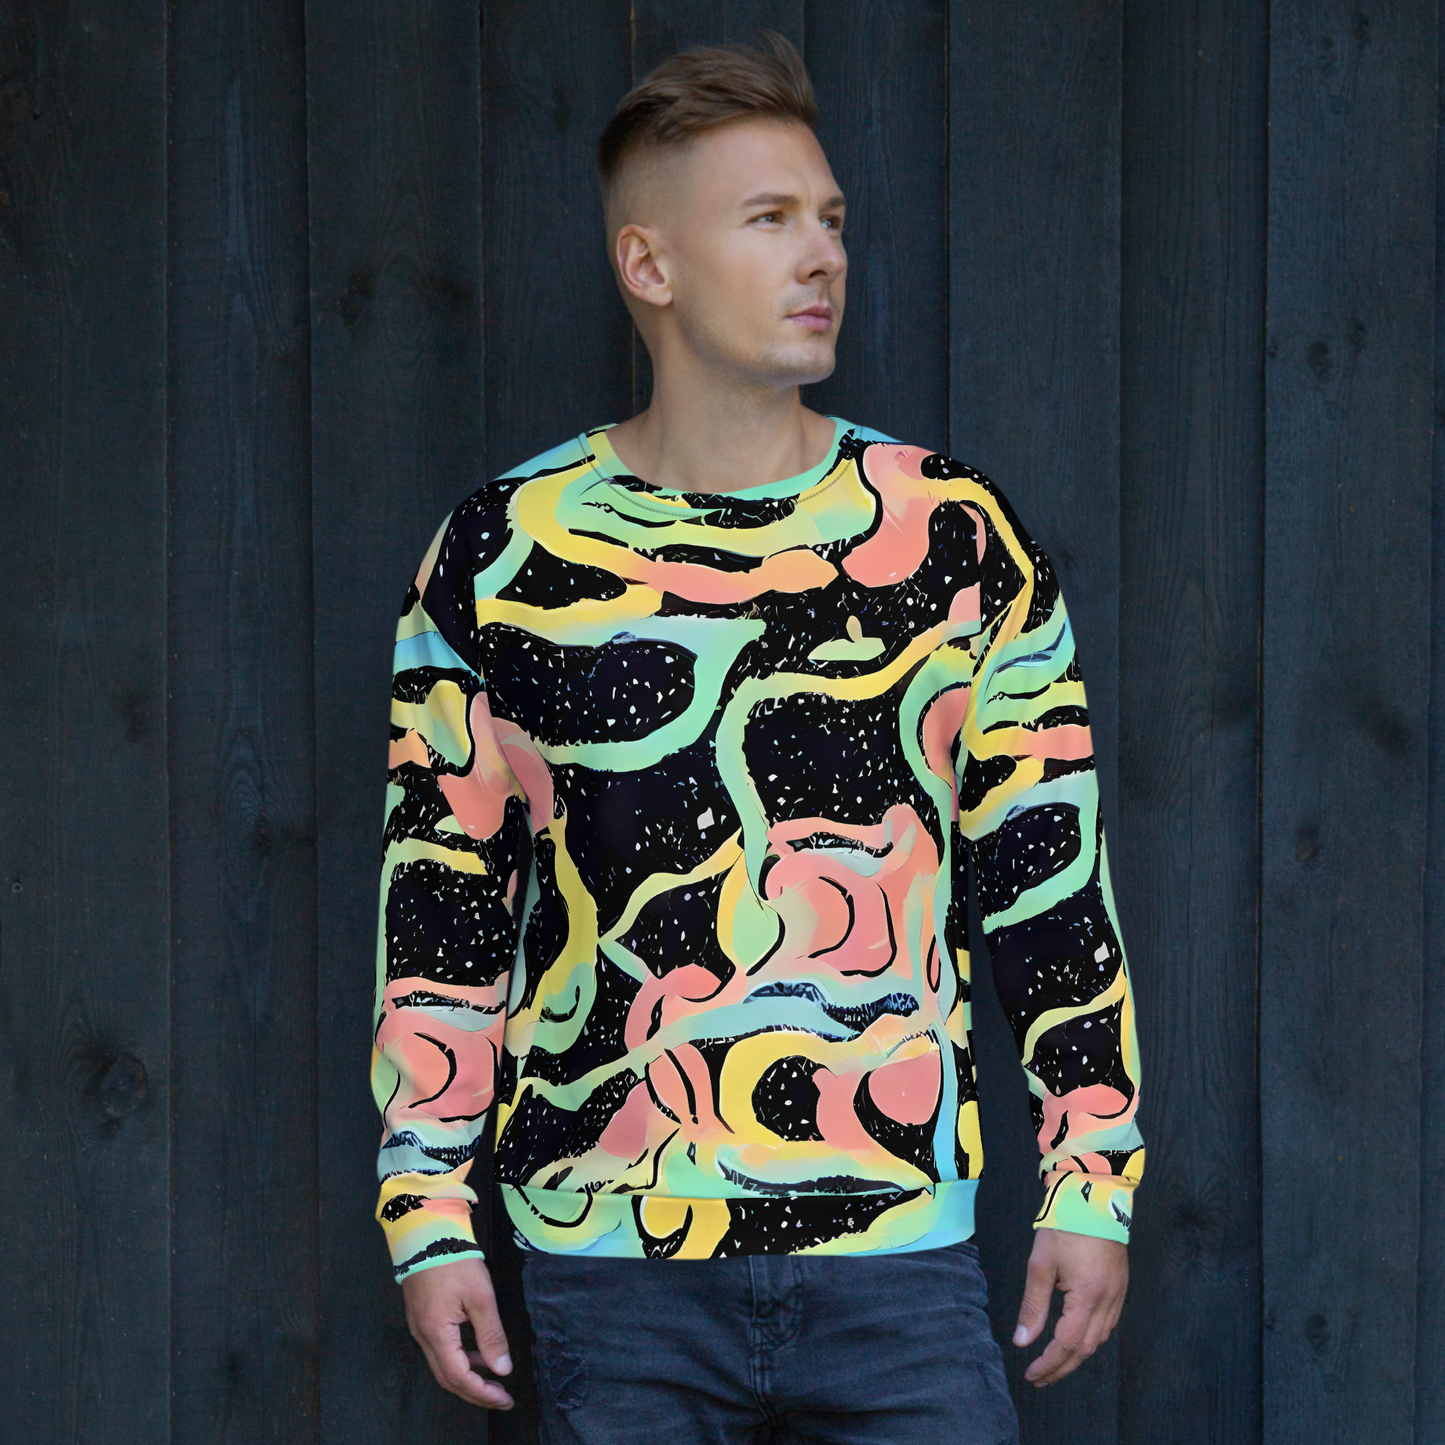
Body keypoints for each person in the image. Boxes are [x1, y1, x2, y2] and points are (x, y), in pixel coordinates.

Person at [369, 33, 1143, 1444]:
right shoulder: (499, 555)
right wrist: (426, 1211)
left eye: (831, 219)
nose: (822, 255)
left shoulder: (951, 537)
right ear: (649, 264)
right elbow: (444, 908)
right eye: (770, 218)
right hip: (610, 1263)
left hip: (898, 1256)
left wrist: (1093, 1180)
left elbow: (1048, 876)